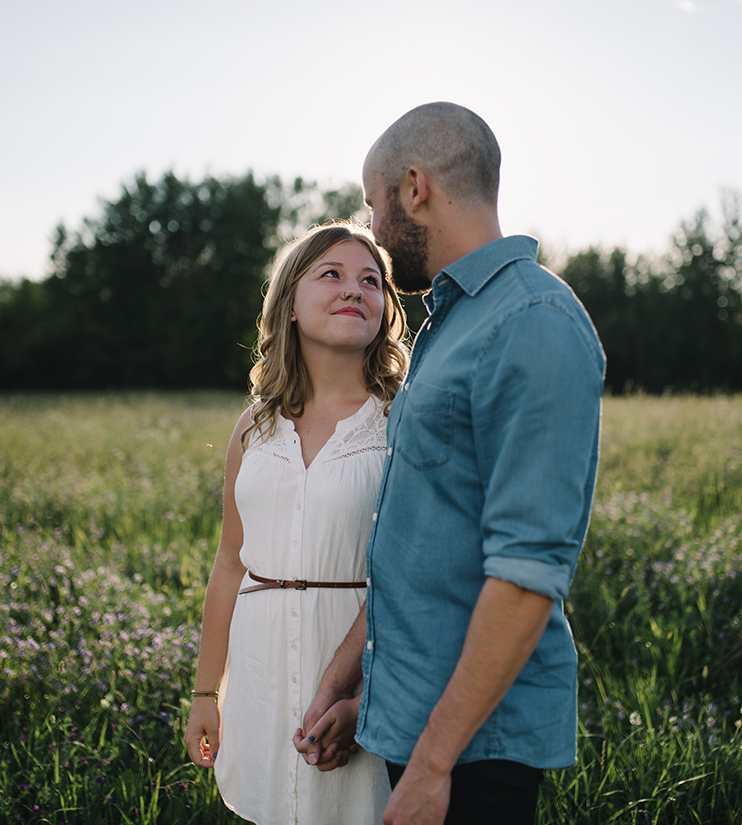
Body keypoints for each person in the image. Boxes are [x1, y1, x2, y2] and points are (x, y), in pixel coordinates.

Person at [295, 103, 605, 824]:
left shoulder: (534, 324)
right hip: (415, 716)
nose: (373, 229)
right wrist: (356, 686)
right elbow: (428, 545)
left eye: (373, 207)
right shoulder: (451, 322)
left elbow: (526, 577)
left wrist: (434, 766)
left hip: (475, 749)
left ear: (414, 188)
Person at [183, 221, 409, 824]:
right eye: (330, 274)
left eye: (371, 281)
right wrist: (207, 693)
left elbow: (419, 576)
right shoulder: (254, 426)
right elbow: (230, 562)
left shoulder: (401, 421)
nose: (354, 290)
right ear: (287, 305)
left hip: (363, 669)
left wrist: (365, 698)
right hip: (257, 671)